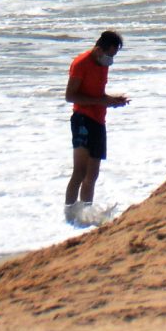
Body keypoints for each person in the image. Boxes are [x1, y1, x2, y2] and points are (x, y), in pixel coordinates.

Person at [65, 31, 130, 223]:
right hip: (82, 119)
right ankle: (68, 215)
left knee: (92, 174)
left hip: (99, 120)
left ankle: (85, 214)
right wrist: (101, 102)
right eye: (110, 54)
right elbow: (70, 96)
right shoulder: (81, 63)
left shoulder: (103, 65)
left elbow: (98, 95)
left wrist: (113, 101)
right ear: (99, 49)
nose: (111, 59)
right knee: (80, 171)